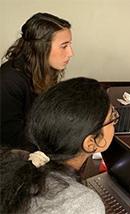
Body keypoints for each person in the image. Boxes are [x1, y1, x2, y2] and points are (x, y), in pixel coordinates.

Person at [0, 77, 118, 213]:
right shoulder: (83, 203)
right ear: (91, 143)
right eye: (112, 118)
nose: (114, 121)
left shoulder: (15, 163)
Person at [0, 12, 73, 150]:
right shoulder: (8, 80)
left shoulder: (44, 69)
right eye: (64, 46)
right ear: (41, 47)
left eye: (70, 45)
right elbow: (10, 138)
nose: (71, 53)